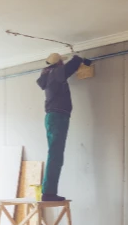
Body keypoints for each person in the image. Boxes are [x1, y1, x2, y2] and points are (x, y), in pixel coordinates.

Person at [36, 52, 92, 201]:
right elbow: (70, 67)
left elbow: (68, 70)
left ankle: (49, 191)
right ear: (59, 63)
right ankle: (48, 193)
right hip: (58, 117)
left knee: (55, 154)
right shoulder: (55, 73)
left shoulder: (48, 76)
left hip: (53, 117)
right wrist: (79, 58)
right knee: (56, 155)